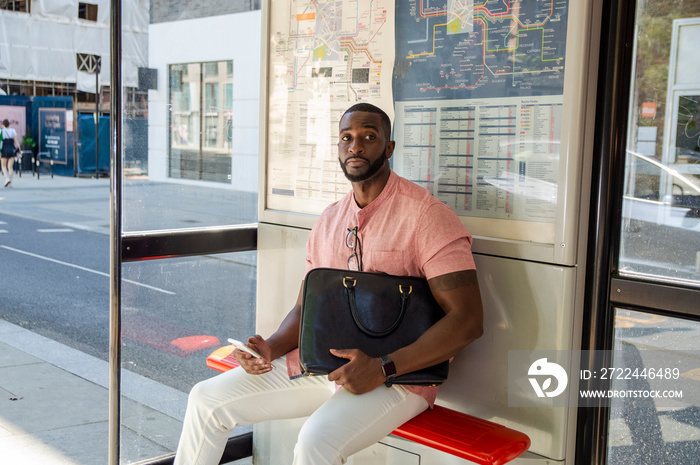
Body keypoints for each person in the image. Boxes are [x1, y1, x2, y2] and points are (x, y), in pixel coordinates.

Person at [174, 103, 484, 465]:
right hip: (324, 365)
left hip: (399, 377)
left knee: (314, 443)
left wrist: (383, 366)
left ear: (389, 147)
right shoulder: (329, 219)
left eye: (369, 137)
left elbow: (468, 320)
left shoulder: (427, 216)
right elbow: (307, 308)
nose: (356, 147)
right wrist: (270, 348)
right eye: (346, 138)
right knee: (205, 400)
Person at [1, 119, 21, 187]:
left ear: (3, 124)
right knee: (10, 167)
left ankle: (7, 178)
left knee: (3, 166)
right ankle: (10, 182)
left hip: (4, 150)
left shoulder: (1, 131)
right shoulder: (13, 130)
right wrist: (19, 149)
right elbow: (16, 141)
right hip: (12, 149)